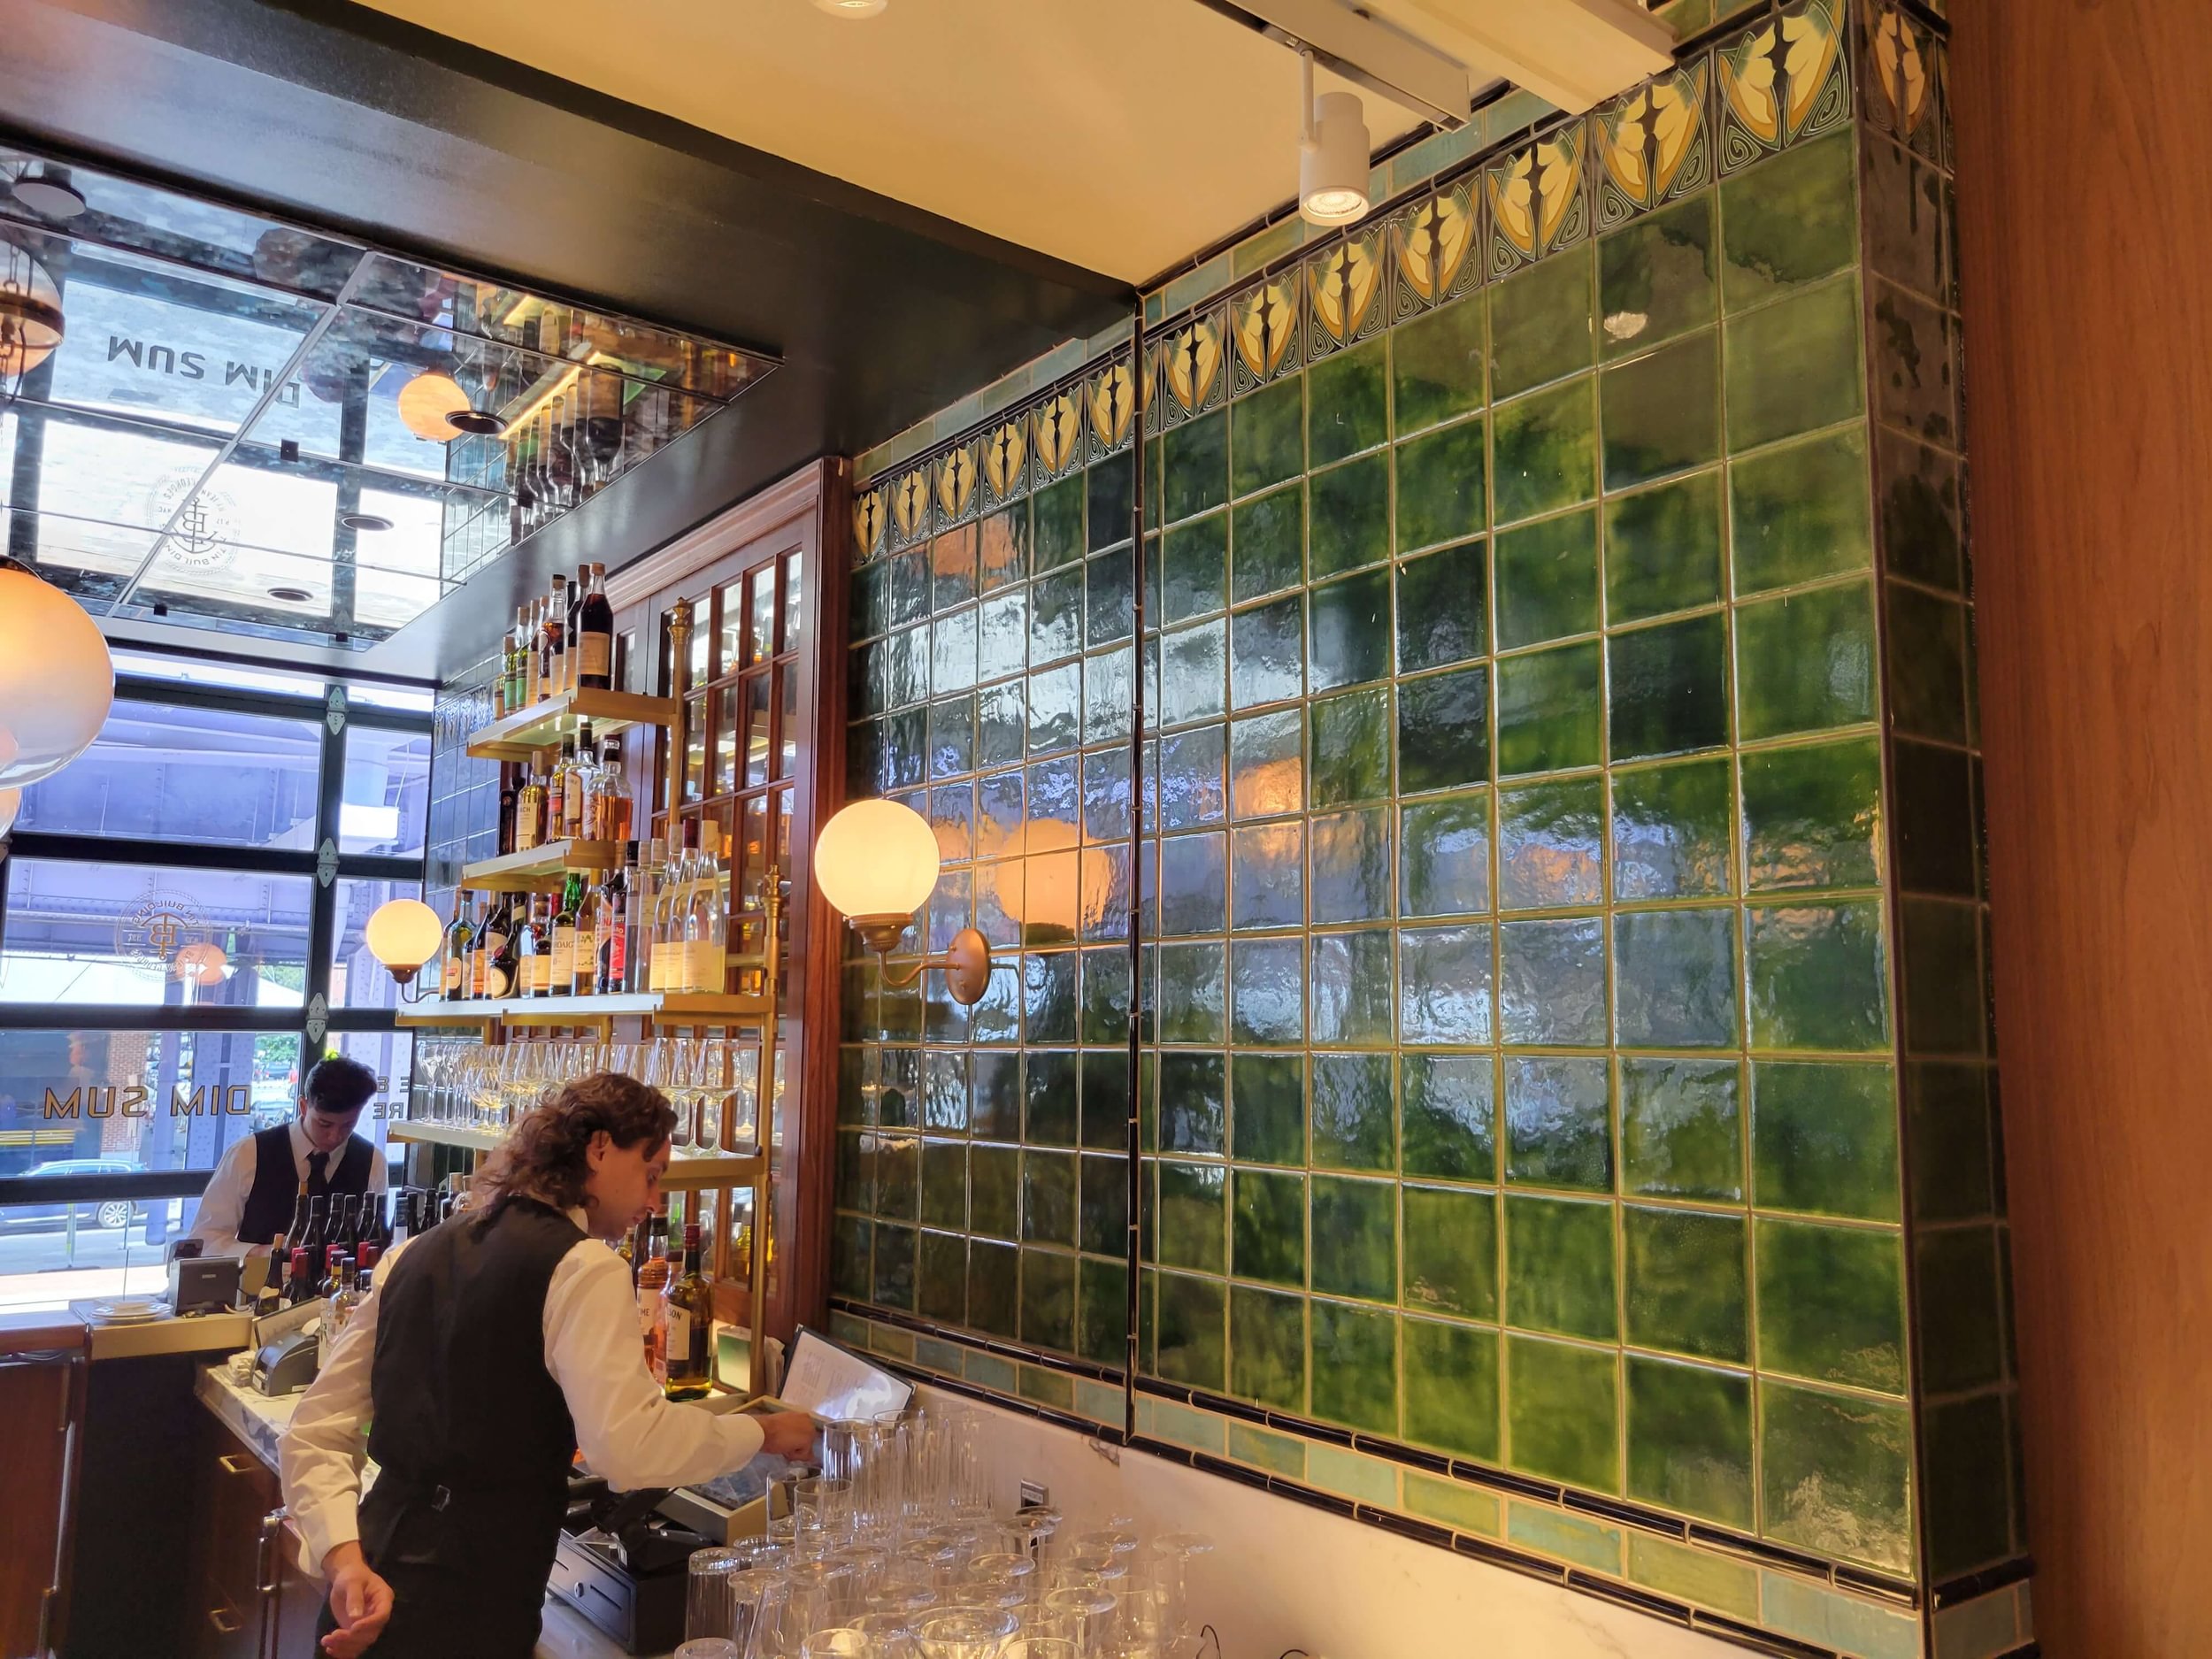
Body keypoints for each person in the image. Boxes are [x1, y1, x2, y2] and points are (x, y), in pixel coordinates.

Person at [279, 1072, 816, 1659]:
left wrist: (345, 1560)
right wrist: (761, 1431)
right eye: (652, 1173)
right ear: (599, 1148)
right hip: (471, 1602)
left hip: (372, 1574)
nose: (653, 1201)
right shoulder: (585, 1267)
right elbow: (627, 1447)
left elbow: (314, 1432)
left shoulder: (415, 1251)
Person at [186, 1055, 385, 1256]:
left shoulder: (372, 1162)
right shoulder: (249, 1153)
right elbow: (206, 1240)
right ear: (303, 1107)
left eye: (348, 1125)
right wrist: (270, 1253)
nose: (334, 1136)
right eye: (324, 1124)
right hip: (256, 1284)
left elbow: (371, 1242)